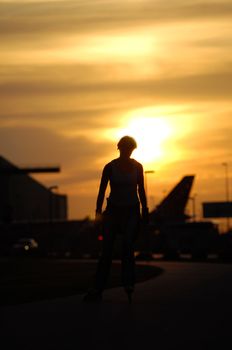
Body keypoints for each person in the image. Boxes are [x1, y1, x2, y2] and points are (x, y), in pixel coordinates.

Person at [83, 136, 148, 303]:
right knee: (107, 250)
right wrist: (98, 213)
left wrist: (145, 211)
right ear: (119, 148)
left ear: (133, 149)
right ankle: (98, 287)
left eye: (130, 149)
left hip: (132, 211)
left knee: (128, 246)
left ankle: (129, 283)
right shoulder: (110, 167)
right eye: (125, 148)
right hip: (113, 211)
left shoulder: (138, 167)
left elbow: (141, 190)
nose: (127, 151)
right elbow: (101, 191)